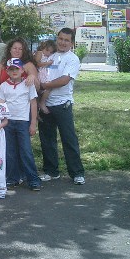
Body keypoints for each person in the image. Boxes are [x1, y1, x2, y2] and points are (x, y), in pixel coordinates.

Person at [38, 28, 86, 185]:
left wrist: (45, 85)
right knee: (47, 139)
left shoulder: (72, 59)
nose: (63, 42)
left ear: (72, 43)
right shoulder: (50, 56)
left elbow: (65, 80)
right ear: (57, 39)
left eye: (66, 40)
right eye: (60, 39)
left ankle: (77, 173)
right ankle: (51, 171)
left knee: (68, 139)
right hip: (45, 105)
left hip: (62, 104)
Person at [0, 58, 41, 191]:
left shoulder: (28, 84)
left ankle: (33, 179)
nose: (14, 71)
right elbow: (0, 104)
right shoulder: (3, 86)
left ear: (22, 70)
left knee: (26, 151)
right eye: (11, 69)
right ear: (7, 71)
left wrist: (33, 123)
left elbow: (33, 104)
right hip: (8, 122)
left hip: (23, 122)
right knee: (10, 152)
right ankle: (12, 178)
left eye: (17, 69)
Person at [33, 40, 57, 114]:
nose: (48, 53)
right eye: (47, 50)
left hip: (45, 74)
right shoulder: (40, 53)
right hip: (39, 74)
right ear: (42, 47)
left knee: (47, 88)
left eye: (51, 52)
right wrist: (47, 63)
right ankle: (40, 105)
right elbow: (37, 64)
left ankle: (41, 104)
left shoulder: (49, 56)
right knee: (46, 87)